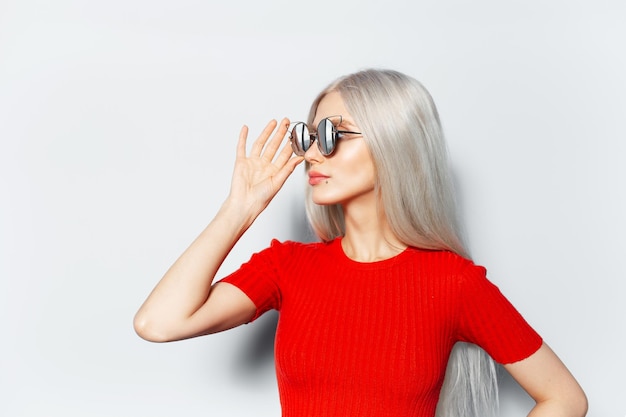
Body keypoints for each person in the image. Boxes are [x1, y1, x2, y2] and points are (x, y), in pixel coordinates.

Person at [134, 69, 588, 417]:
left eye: (332, 135)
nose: (311, 153)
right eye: (310, 136)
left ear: (394, 143)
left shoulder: (453, 282)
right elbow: (159, 323)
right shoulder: (286, 266)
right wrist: (239, 210)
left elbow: (564, 399)